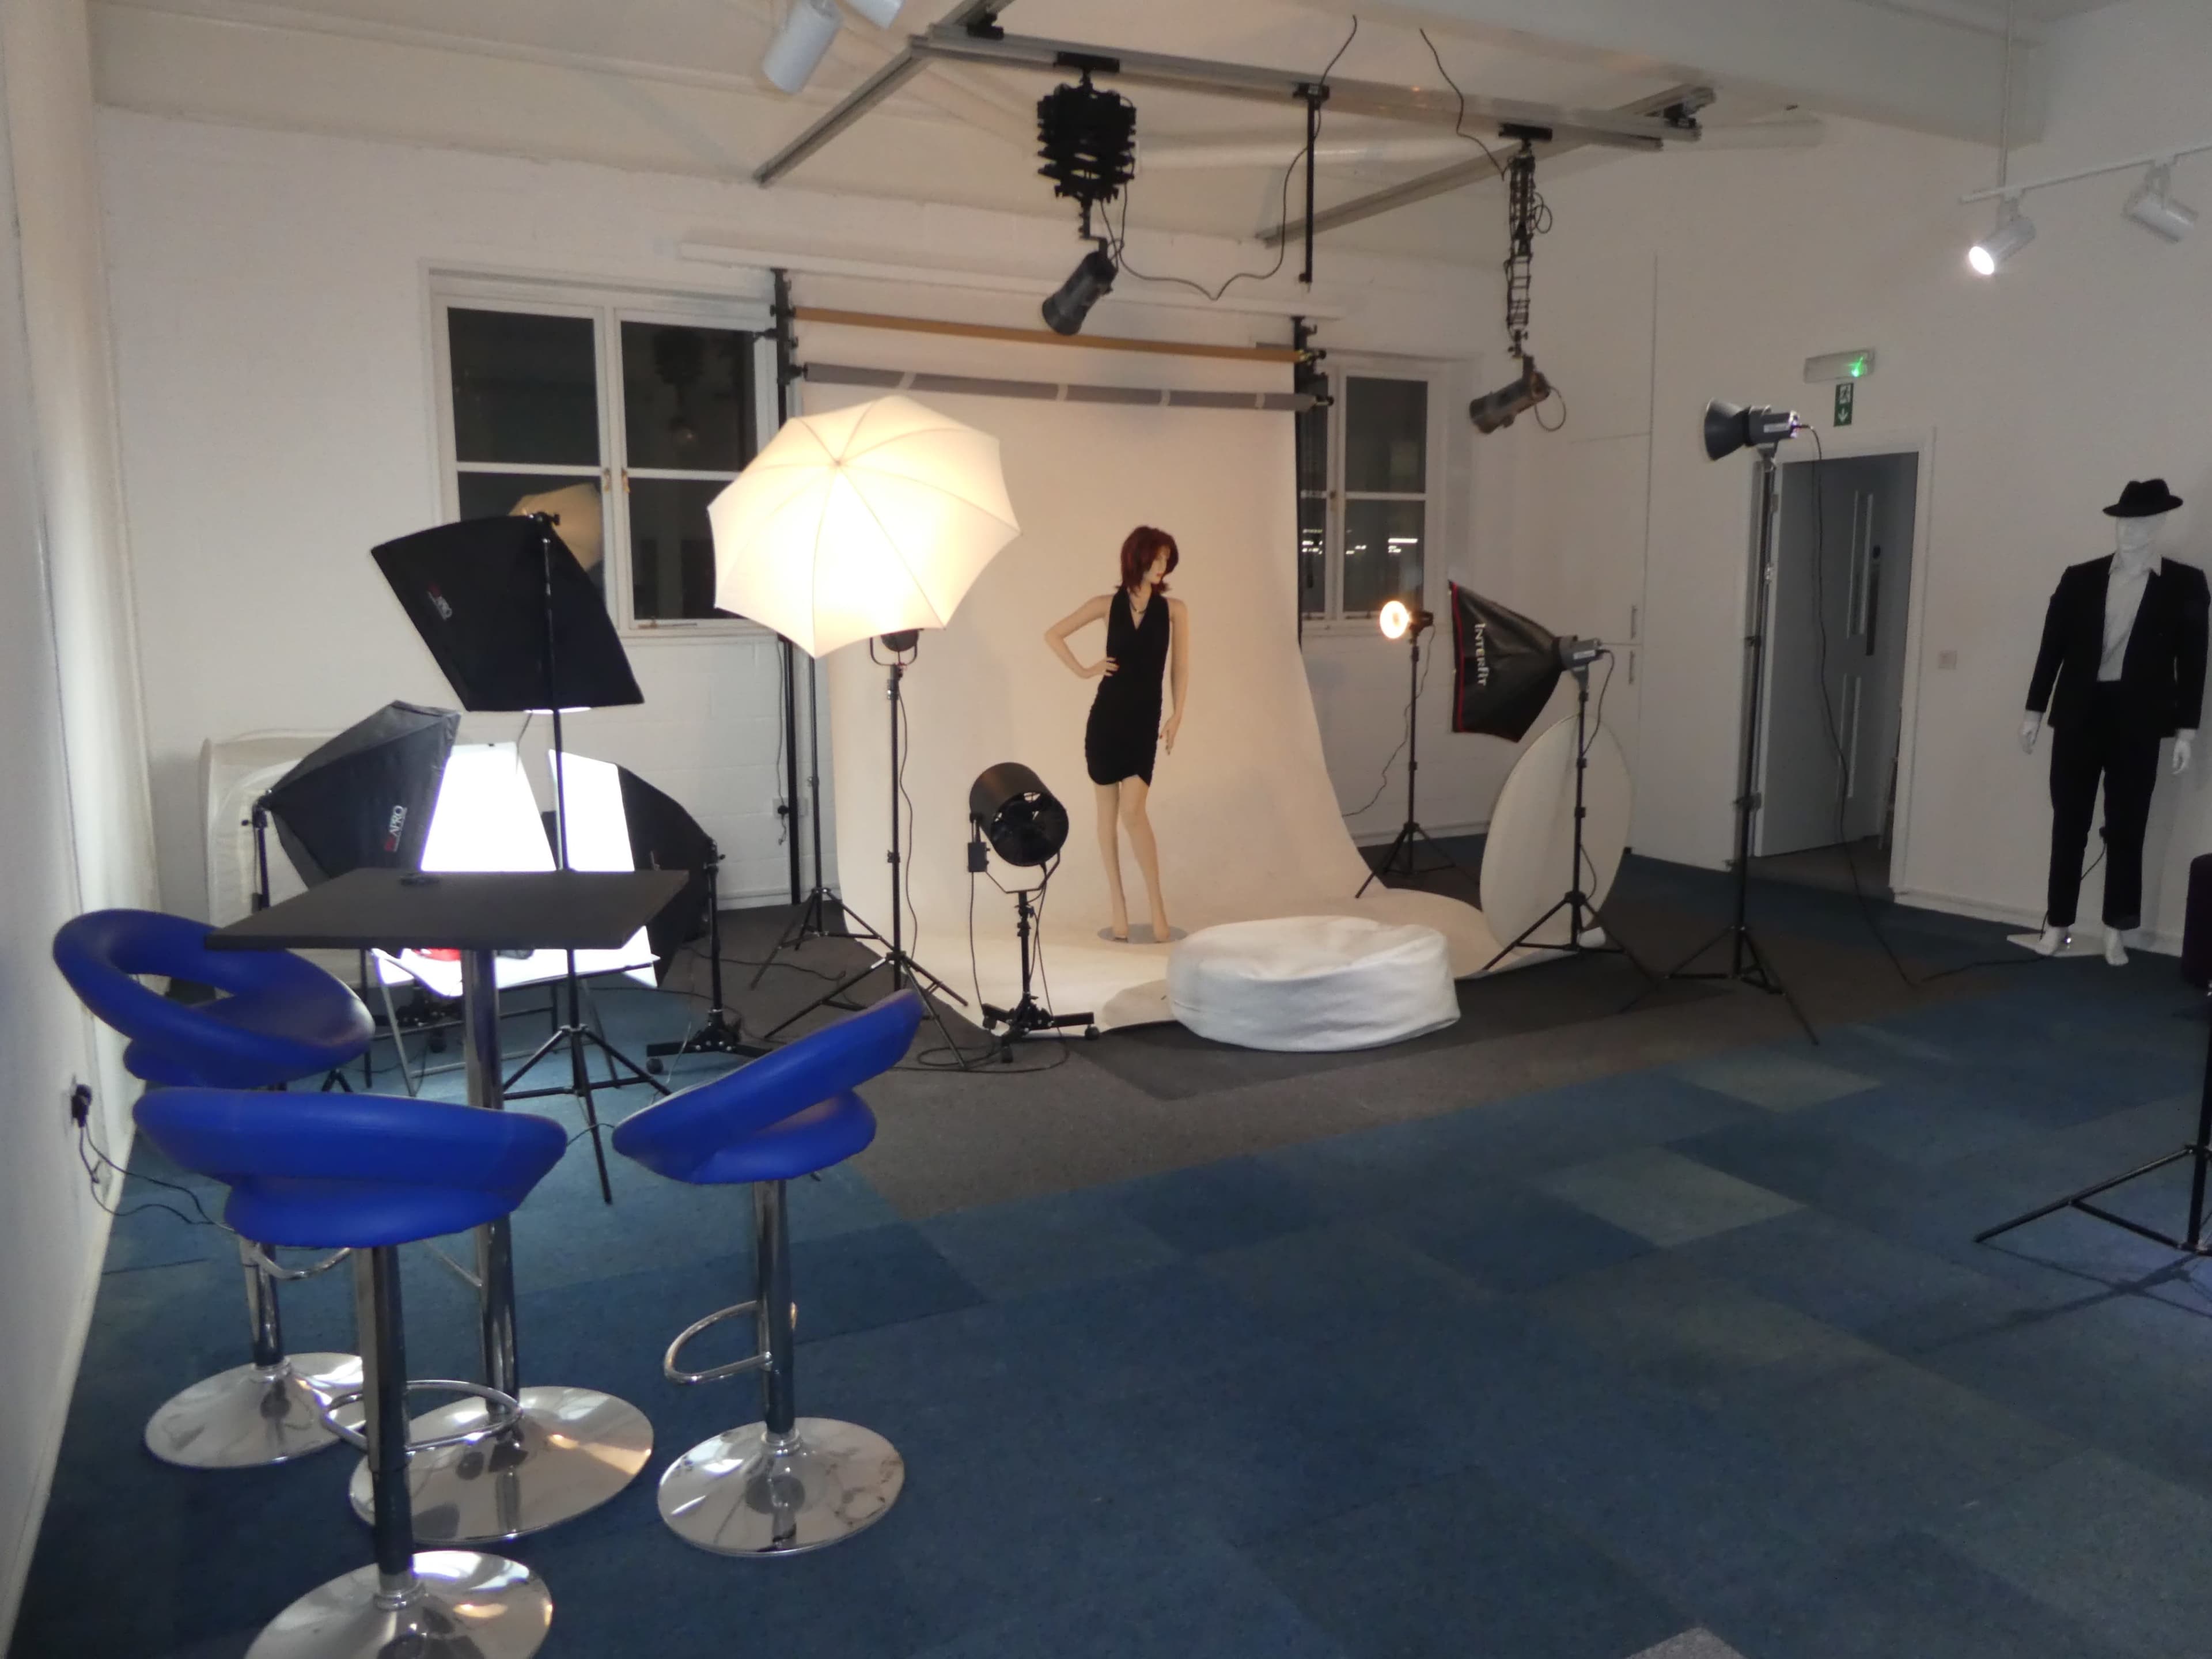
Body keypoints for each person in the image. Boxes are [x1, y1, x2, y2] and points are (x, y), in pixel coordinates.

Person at [1044, 525, 1192, 944]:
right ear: (1138, 558)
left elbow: (1180, 667)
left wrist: (1179, 714)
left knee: (1133, 812)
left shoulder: (1176, 610)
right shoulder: (1106, 605)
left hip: (1145, 723)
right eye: (1157, 558)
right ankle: (1118, 907)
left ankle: (1158, 907)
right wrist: (1085, 669)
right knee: (1106, 816)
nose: (1163, 566)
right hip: (1106, 719)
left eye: (1167, 559)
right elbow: (1053, 634)